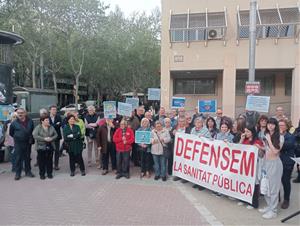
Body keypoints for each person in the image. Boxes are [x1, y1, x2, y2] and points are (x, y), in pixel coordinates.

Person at [259, 118, 284, 219]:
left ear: (275, 126)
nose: (270, 126)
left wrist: (268, 139)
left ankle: (273, 210)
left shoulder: (280, 137)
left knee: (273, 189)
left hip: (275, 165)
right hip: (266, 163)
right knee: (265, 186)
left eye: (272, 124)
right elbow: (267, 149)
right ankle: (269, 206)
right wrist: (260, 147)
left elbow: (275, 151)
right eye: (269, 124)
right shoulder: (266, 136)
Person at [239, 126, 264, 209]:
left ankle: (254, 203)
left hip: (255, 166)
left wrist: (259, 148)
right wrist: (241, 140)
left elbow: (261, 155)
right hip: (245, 165)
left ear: (252, 132)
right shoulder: (245, 140)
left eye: (248, 132)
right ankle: (244, 199)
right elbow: (238, 149)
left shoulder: (258, 141)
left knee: (254, 183)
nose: (246, 133)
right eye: (245, 131)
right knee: (244, 181)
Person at [9, 108, 35, 180]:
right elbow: (11, 133)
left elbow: (32, 130)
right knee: (18, 158)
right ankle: (18, 173)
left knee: (27, 157)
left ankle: (28, 171)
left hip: (28, 142)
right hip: (18, 143)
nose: (20, 114)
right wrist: (18, 137)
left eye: (22, 112)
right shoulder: (14, 123)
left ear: (25, 113)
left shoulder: (30, 121)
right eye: (18, 113)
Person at [33, 115, 58, 180]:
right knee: (41, 161)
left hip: (50, 146)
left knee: (49, 160)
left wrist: (51, 138)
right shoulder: (38, 127)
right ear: (42, 121)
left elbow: (56, 135)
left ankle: (49, 173)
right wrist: (44, 139)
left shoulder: (51, 127)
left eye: (48, 120)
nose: (48, 121)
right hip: (41, 147)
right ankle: (42, 174)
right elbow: (35, 135)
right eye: (46, 120)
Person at [278, 119, 295, 209]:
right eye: (279, 125)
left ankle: (286, 200)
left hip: (287, 162)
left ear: (287, 126)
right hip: (277, 161)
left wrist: (279, 139)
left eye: (282, 125)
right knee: (277, 180)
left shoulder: (291, 136)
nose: (280, 127)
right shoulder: (276, 135)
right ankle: (277, 197)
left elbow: (284, 146)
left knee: (285, 181)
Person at [48, 105, 62, 170]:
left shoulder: (58, 117)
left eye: (55, 110)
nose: (54, 111)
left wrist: (53, 125)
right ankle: (49, 164)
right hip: (49, 137)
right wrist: (55, 125)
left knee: (57, 151)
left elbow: (60, 125)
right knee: (50, 151)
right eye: (53, 109)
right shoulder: (47, 117)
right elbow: (47, 126)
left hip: (57, 137)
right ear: (50, 110)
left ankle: (56, 165)